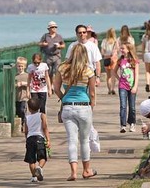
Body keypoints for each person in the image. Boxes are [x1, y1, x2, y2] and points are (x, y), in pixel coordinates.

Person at [54, 43, 97, 181]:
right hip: (83, 106)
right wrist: (92, 106)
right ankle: (86, 170)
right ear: (84, 55)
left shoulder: (62, 68)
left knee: (72, 140)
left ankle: (73, 172)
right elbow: (92, 93)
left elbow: (56, 88)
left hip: (67, 107)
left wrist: (64, 98)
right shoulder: (88, 71)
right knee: (84, 140)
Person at [113, 42, 139, 133]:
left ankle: (132, 123)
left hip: (132, 86)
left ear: (128, 49)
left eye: (123, 48)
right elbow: (114, 71)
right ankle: (123, 125)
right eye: (121, 49)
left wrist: (135, 86)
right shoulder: (120, 60)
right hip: (122, 86)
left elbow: (136, 74)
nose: (121, 50)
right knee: (123, 106)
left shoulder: (134, 60)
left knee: (132, 107)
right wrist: (119, 79)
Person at [24, 98, 51, 182]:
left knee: (31, 160)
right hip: (40, 138)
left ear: (29, 108)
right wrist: (48, 139)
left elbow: (25, 130)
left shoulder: (27, 118)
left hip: (30, 139)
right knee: (42, 157)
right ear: (39, 106)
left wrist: (26, 138)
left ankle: (34, 176)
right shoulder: (42, 115)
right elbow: (45, 128)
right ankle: (39, 167)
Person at [38, 21, 65, 91]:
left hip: (57, 56)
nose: (54, 28)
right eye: (53, 27)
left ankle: (55, 86)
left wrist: (59, 46)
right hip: (48, 56)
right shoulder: (45, 36)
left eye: (55, 27)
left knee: (57, 71)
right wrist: (43, 44)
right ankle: (50, 86)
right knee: (48, 72)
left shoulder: (59, 36)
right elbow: (39, 44)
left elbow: (63, 45)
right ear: (49, 28)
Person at [100, 27, 119, 94]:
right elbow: (117, 50)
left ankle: (109, 89)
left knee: (108, 76)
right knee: (113, 74)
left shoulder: (104, 41)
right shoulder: (116, 41)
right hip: (114, 59)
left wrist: (106, 55)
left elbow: (102, 51)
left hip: (106, 59)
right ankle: (113, 88)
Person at [15, 56, 29, 131]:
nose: (20, 68)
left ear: (25, 67)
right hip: (17, 96)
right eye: (19, 66)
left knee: (22, 110)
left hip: (24, 97)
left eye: (22, 66)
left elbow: (30, 84)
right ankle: (20, 124)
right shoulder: (15, 76)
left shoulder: (27, 75)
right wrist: (16, 85)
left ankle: (23, 123)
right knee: (17, 111)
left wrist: (24, 83)